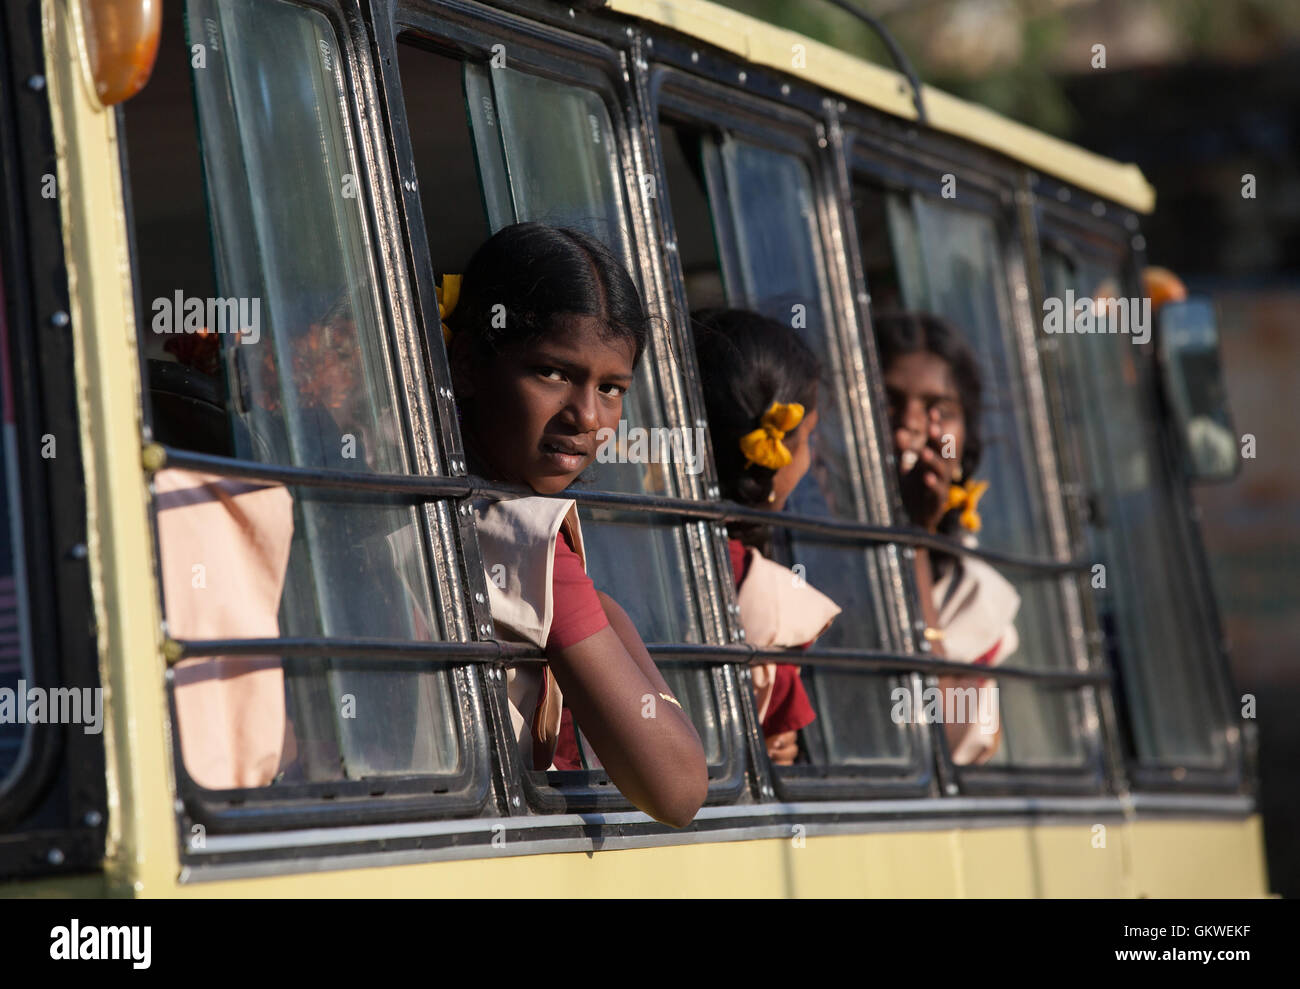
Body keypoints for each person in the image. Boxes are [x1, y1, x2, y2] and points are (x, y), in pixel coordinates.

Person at [445, 222, 708, 827]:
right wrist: (597, 608)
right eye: (553, 373)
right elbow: (678, 789)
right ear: (466, 362)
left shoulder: (443, 500)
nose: (586, 416)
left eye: (611, 388)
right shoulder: (524, 537)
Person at [690, 308, 842, 766]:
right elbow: (777, 750)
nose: (814, 458)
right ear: (775, 450)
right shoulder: (766, 598)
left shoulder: (613, 544)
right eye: (809, 438)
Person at [875, 311, 1019, 765]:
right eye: (891, 402)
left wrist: (915, 536)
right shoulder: (798, 552)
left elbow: (934, 736)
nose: (910, 428)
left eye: (940, 411)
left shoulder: (980, 598)